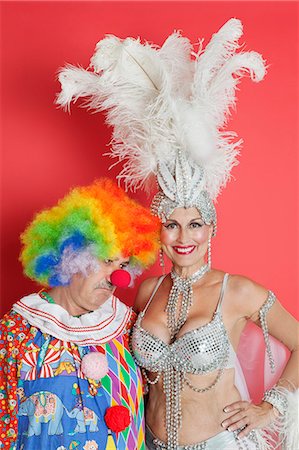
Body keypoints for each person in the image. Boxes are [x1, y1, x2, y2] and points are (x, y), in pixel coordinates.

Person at [56, 19, 298, 449]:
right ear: (159, 229)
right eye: (171, 224)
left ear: (211, 228)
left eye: (195, 224)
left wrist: (272, 406)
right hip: (147, 442)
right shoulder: (147, 290)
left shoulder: (236, 290)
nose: (183, 236)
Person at [0, 178, 160, 450]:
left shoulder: (130, 327)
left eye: (124, 264)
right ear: (71, 255)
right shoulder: (17, 333)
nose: (118, 277)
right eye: (108, 261)